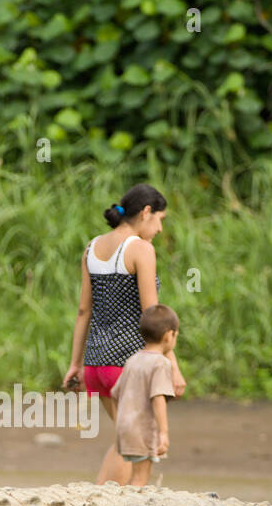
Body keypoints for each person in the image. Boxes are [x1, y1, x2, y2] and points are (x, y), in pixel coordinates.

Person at [63, 183, 186, 485]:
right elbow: (152, 315)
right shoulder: (141, 249)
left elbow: (83, 311)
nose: (159, 229)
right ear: (146, 213)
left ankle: (100, 503)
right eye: (160, 219)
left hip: (96, 363)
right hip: (128, 364)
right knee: (135, 443)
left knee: (124, 436)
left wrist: (76, 364)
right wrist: (173, 367)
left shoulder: (91, 248)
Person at [111, 305, 179, 486]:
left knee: (136, 473)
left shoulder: (132, 360)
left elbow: (115, 393)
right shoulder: (161, 363)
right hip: (143, 429)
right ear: (168, 335)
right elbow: (158, 398)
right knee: (141, 476)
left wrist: (123, 421)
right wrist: (163, 433)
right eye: (175, 335)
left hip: (125, 428)